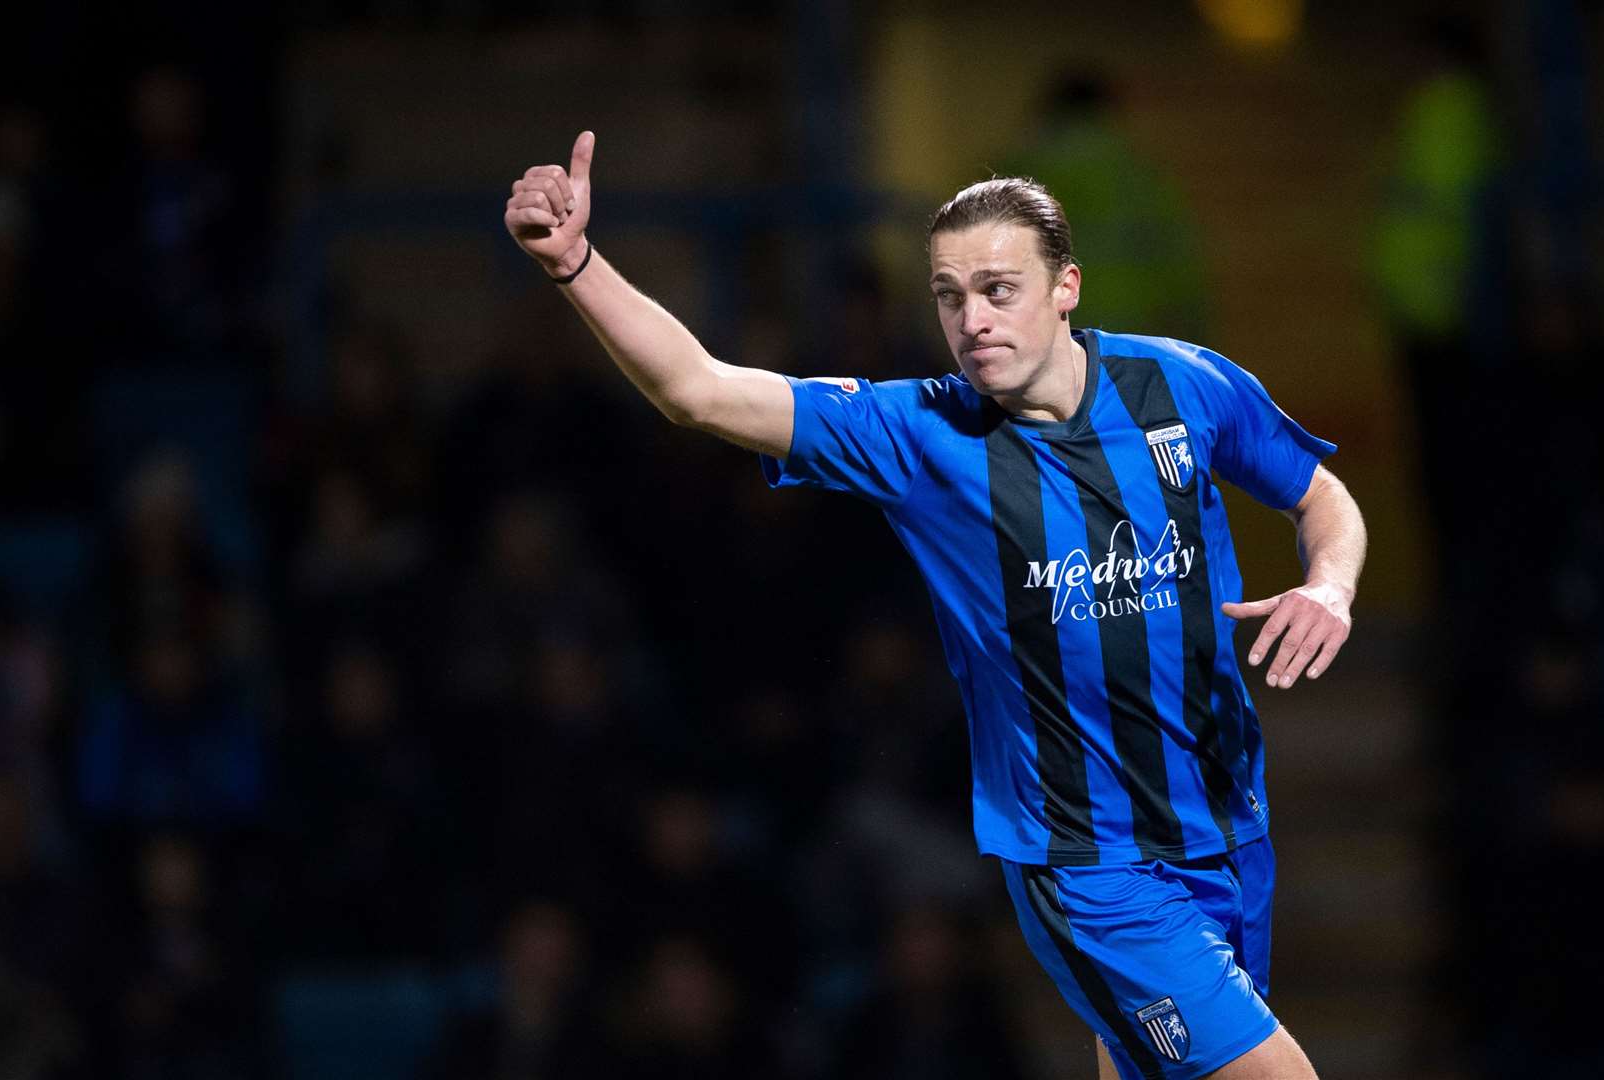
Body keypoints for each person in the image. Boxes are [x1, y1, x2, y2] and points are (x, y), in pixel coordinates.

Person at [503, 131, 1366, 1080]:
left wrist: (1329, 583)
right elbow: (699, 390)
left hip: (1229, 826)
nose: (973, 319)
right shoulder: (918, 433)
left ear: (1066, 288)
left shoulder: (1182, 384)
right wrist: (576, 266)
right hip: (1090, 866)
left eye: (999, 290)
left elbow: (1319, 495)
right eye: (950, 296)